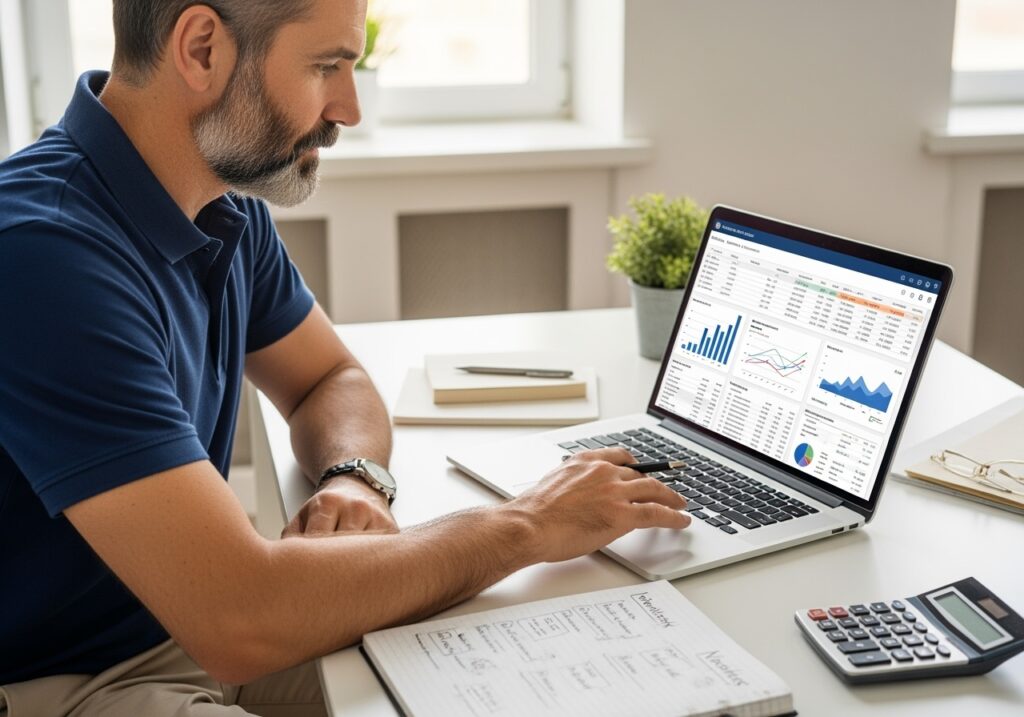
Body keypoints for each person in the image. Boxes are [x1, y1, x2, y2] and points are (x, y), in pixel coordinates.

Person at [0, 1, 691, 714]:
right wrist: (528, 524)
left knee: (526, 662)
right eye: (326, 66)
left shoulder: (220, 203)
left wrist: (356, 478)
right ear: (202, 48)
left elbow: (332, 379)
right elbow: (243, 617)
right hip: (63, 682)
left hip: (183, 627)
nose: (349, 109)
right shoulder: (40, 254)